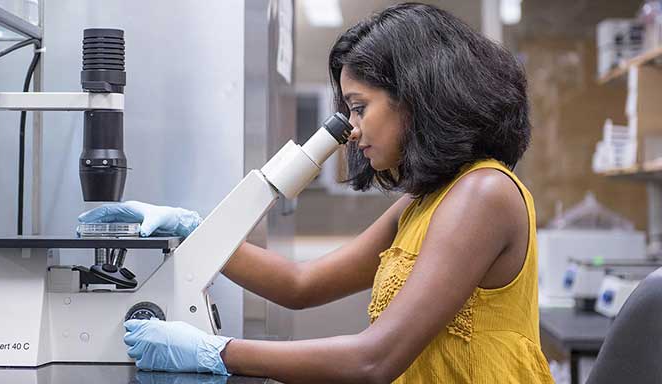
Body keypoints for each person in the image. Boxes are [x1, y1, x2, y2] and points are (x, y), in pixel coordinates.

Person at [79, 2, 554, 383]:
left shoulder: (483, 194)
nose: (351, 130)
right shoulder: (425, 202)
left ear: (418, 96)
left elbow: (375, 359)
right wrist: (196, 232)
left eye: (360, 107)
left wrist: (216, 352)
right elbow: (299, 286)